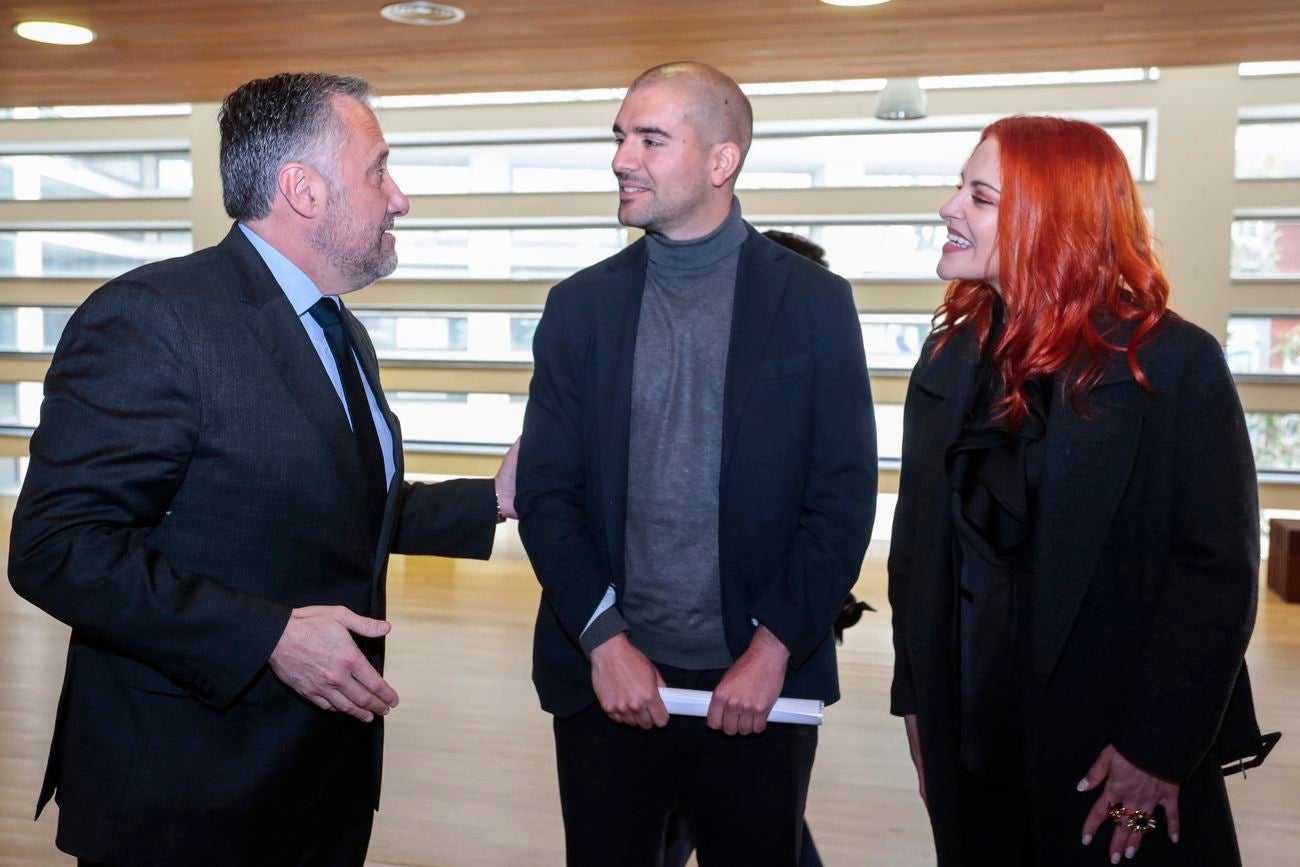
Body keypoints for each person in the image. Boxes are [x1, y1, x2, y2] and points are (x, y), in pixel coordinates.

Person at [7, 72, 518, 867]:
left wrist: (493, 499)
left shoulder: (338, 327)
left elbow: (335, 499)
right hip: (187, 793)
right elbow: (58, 546)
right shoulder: (152, 319)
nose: (400, 197)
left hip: (319, 780)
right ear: (303, 190)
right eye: (379, 169)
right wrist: (270, 632)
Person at [516, 61, 876, 867]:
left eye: (650, 139)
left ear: (722, 162)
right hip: (607, 681)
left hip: (758, 683)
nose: (620, 159)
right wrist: (604, 641)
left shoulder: (816, 304)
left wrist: (773, 650)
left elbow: (844, 496)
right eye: (619, 137)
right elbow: (546, 491)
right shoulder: (579, 306)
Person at [888, 115, 1263, 865]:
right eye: (961, 187)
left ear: (1050, 218)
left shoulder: (1172, 363)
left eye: (980, 195)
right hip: (972, 738)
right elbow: (918, 555)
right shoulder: (947, 357)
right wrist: (919, 704)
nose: (948, 207)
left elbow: (1214, 574)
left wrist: (1157, 751)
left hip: (1115, 755)